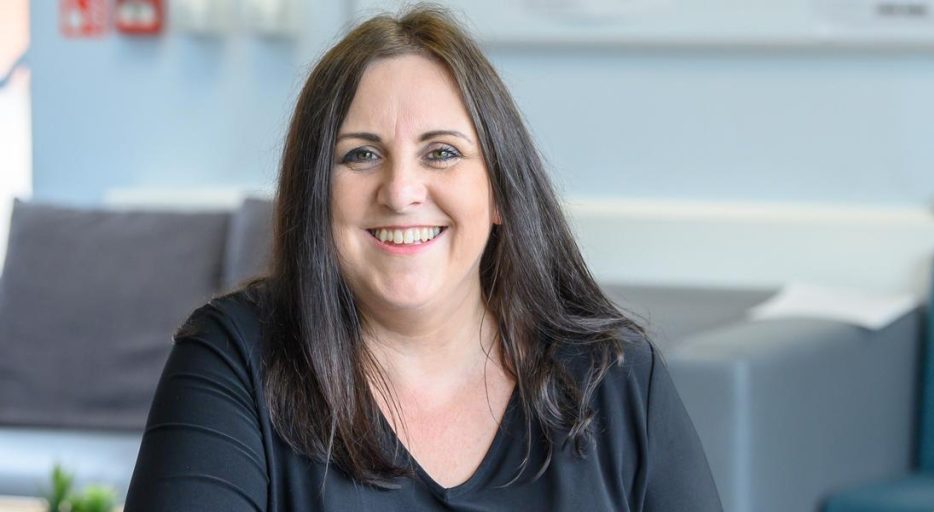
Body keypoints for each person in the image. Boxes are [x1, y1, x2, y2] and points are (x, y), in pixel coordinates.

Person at [124, 5, 721, 511]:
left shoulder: (615, 377)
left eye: (441, 153)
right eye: (360, 156)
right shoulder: (233, 359)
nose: (401, 190)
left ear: (500, 194)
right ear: (316, 195)